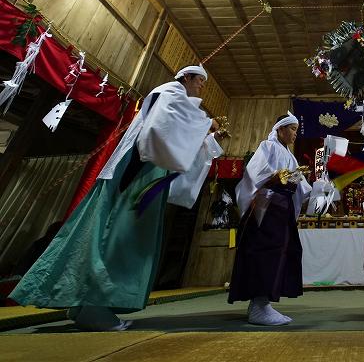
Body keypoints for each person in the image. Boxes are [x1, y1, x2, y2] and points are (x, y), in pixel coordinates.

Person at [10, 65, 223, 331]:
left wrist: (204, 134)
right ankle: (93, 306)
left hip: (145, 168)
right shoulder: (170, 91)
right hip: (137, 171)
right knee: (116, 236)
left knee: (118, 235)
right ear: (187, 77)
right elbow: (162, 129)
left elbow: (174, 132)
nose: (202, 87)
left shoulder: (174, 97)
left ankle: (85, 305)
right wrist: (204, 125)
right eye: (200, 81)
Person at [229, 112, 311, 326]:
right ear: (280, 129)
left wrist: (317, 187)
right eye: (292, 128)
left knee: (281, 253)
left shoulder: (290, 156)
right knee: (266, 252)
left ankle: (263, 302)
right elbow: (256, 173)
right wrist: (281, 176)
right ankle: (258, 305)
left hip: (282, 209)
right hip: (266, 208)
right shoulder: (269, 146)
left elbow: (299, 187)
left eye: (296, 129)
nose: (295, 133)